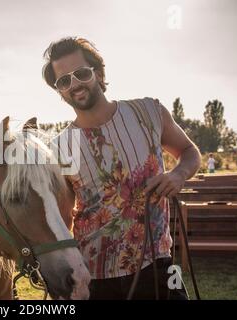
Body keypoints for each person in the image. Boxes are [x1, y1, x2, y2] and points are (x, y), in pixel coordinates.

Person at [43, 37, 201, 299]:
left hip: (158, 264)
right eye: (64, 81)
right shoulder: (60, 147)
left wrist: (178, 174)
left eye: (81, 73)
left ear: (99, 72)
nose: (75, 85)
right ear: (59, 90)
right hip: (95, 276)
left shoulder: (148, 112)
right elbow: (63, 216)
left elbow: (189, 151)